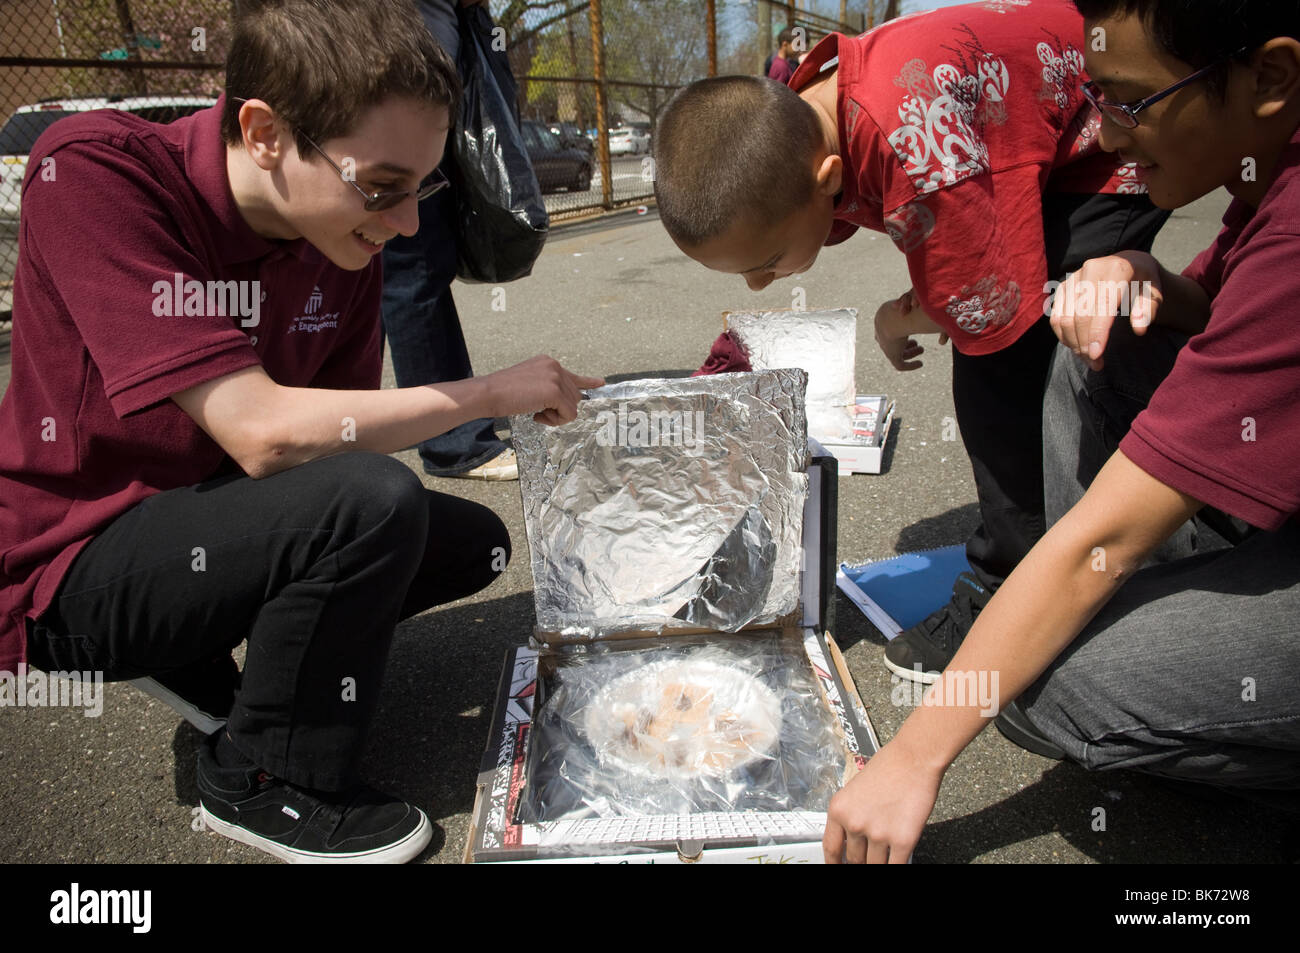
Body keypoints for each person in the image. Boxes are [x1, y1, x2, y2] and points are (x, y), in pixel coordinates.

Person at [0, 0, 600, 863]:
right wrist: (487, 393)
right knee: (372, 505)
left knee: (467, 541)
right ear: (267, 131)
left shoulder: (338, 237)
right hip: (70, 562)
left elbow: (336, 438)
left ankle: (204, 643)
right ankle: (260, 778)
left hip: (204, 516)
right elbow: (262, 434)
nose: (405, 223)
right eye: (383, 187)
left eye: (424, 188)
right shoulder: (95, 173)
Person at [823, 0, 1300, 864]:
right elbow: (1218, 305)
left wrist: (913, 756)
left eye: (1130, 102)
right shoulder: (1267, 171)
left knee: (1049, 686)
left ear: (1269, 77)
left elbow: (1100, 541)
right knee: (1099, 332)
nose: (1109, 140)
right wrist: (1138, 265)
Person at [653, 0, 1169, 685]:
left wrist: (896, 320)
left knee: (1002, 365)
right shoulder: (811, 109)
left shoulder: (916, 145)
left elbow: (990, 295)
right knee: (1024, 336)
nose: (757, 288)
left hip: (1108, 146)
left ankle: (1010, 585)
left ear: (829, 181)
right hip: (1032, 140)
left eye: (767, 261)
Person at [381, 0, 523, 482]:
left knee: (411, 270)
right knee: (412, 272)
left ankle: (445, 419)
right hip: (391, 76)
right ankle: (450, 436)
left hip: (425, 80)